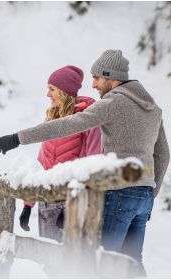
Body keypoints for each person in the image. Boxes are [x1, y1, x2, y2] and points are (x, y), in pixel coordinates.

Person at [0, 49, 170, 276]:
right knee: (132, 263)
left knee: (100, 263)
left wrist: (18, 138)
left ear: (111, 76)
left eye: (96, 78)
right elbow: (163, 155)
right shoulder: (152, 107)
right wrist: (150, 193)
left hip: (118, 194)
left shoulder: (114, 102)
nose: (93, 84)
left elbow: (69, 124)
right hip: (143, 198)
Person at [18, 65, 102, 242]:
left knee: (71, 265)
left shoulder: (88, 120)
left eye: (52, 89)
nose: (48, 94)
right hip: (46, 204)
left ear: (64, 92)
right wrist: (28, 205)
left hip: (71, 205)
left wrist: (74, 204)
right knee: (49, 265)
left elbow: (92, 164)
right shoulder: (52, 120)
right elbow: (41, 164)